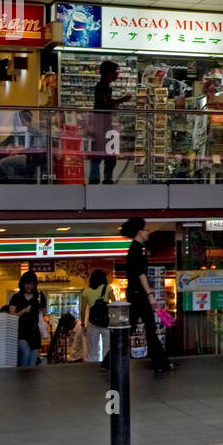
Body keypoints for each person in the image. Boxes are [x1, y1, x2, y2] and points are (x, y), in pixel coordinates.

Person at [121, 217, 175, 375]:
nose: (148, 232)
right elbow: (140, 274)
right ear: (139, 232)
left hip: (135, 295)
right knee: (148, 329)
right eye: (145, 230)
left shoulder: (135, 249)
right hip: (139, 295)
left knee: (133, 328)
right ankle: (160, 362)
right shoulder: (136, 250)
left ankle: (110, 360)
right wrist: (150, 294)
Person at [90, 60, 129, 184]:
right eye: (115, 72)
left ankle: (98, 178)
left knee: (104, 153)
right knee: (108, 153)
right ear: (109, 73)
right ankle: (102, 179)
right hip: (103, 124)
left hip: (103, 123)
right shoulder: (103, 85)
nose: (117, 75)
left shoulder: (104, 85)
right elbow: (107, 102)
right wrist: (123, 99)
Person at [8, 270, 46, 368]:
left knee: (32, 361)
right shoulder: (16, 297)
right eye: (27, 284)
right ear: (23, 284)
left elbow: (44, 313)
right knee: (26, 353)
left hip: (34, 333)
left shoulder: (37, 298)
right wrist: (23, 311)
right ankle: (21, 377)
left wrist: (43, 302)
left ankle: (30, 381)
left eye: (32, 284)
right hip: (20, 332)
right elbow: (11, 316)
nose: (30, 287)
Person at [80, 269, 112, 366]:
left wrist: (83, 324)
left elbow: (82, 310)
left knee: (92, 350)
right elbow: (115, 305)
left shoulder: (86, 291)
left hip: (92, 323)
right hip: (106, 323)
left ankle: (92, 369)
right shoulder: (107, 289)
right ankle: (106, 366)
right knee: (107, 348)